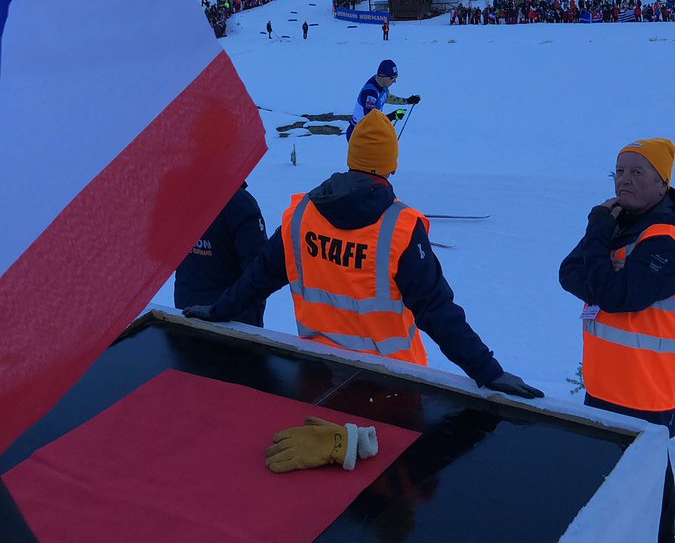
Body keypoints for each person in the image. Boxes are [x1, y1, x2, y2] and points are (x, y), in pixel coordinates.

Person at [184, 111, 543, 401]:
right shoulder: (399, 229)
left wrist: (218, 310)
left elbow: (257, 279)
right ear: (391, 165)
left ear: (351, 157)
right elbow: (437, 311)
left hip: (318, 377)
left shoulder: (301, 216)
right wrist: (488, 371)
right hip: (394, 385)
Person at [559, 138, 675, 543]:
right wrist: (603, 259)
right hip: (605, 382)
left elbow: (616, 295)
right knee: (606, 476)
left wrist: (599, 244)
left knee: (649, 481)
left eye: (637, 172)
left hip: (648, 389)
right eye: (619, 171)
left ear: (662, 184)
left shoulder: (665, 237)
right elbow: (569, 273)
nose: (623, 180)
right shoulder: (619, 223)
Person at [174, 183, 268, 326]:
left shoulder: (179, 194)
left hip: (187, 309)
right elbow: (260, 267)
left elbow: (157, 249)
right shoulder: (239, 202)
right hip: (233, 318)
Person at [346, 59, 419, 141]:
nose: (394, 81)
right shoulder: (370, 93)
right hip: (358, 135)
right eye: (392, 78)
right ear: (383, 76)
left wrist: (407, 101)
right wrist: (392, 116)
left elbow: (386, 97)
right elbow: (372, 120)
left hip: (368, 132)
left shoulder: (381, 84)